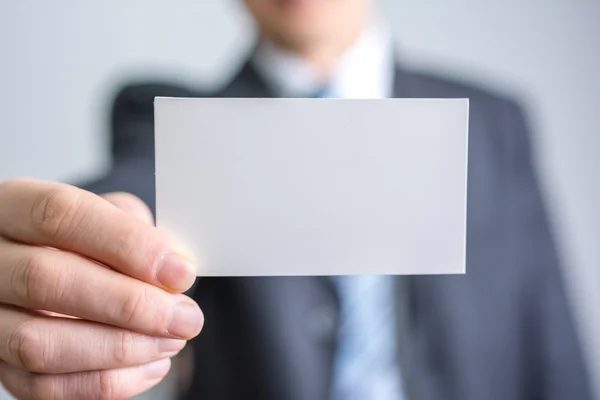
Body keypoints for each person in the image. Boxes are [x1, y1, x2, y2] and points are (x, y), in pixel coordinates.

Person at [0, 0, 592, 399]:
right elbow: (133, 186)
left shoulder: (494, 122)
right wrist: (91, 239)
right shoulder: (166, 119)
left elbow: (552, 341)